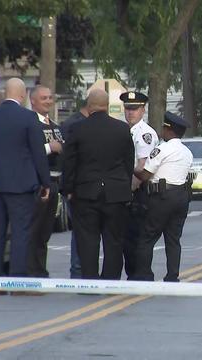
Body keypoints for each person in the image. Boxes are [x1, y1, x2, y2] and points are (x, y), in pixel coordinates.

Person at [0, 78, 51, 290]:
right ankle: (17, 278)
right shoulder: (28, 118)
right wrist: (45, 182)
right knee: (20, 231)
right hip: (22, 186)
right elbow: (38, 153)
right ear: (22, 95)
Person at [62, 89, 134, 280]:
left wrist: (67, 189)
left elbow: (69, 162)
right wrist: (124, 186)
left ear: (89, 105)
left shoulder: (78, 129)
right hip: (116, 193)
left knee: (87, 241)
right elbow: (128, 162)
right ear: (107, 106)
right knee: (114, 241)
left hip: (86, 193)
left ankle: (90, 281)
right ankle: (110, 280)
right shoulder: (122, 129)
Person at [132, 112, 193, 282]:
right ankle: (172, 276)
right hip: (181, 197)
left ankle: (144, 275)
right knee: (173, 239)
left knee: (147, 237)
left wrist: (130, 168)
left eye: (164, 128)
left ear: (169, 130)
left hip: (161, 197)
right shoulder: (187, 152)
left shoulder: (162, 149)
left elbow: (144, 175)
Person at [119, 91, 158, 280]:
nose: (130, 112)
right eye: (127, 108)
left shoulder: (144, 134)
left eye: (134, 109)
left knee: (136, 238)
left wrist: (129, 192)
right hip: (129, 191)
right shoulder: (127, 130)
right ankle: (133, 275)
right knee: (128, 238)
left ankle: (140, 277)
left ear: (143, 110)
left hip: (138, 192)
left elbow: (142, 167)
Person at [27, 85, 63, 278]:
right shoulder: (30, 124)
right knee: (34, 231)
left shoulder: (55, 126)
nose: (48, 101)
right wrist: (50, 147)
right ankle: (32, 272)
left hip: (54, 183)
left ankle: (40, 271)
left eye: (50, 97)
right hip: (39, 184)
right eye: (43, 98)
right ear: (32, 100)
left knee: (45, 232)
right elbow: (27, 152)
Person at [60, 98, 90, 279]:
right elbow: (68, 159)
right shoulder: (75, 125)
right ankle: (79, 271)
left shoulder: (71, 123)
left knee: (81, 232)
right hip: (78, 187)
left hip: (77, 186)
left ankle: (80, 271)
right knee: (81, 232)